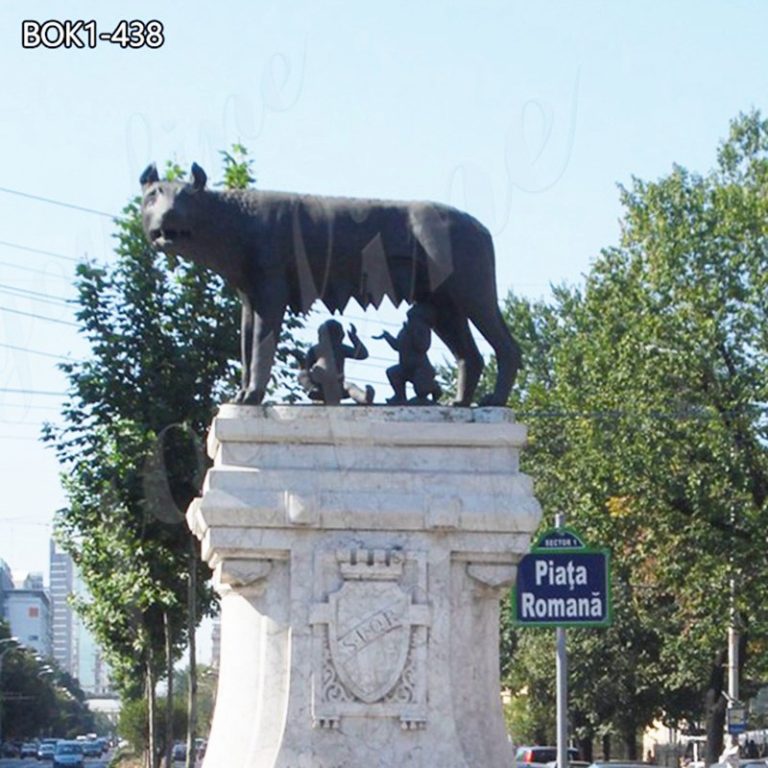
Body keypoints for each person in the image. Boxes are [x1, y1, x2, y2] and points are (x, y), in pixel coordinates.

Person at [373, 304, 442, 404]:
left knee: (421, 391)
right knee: (392, 372)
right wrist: (386, 336)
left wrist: (412, 333)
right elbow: (397, 346)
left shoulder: (422, 329)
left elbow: (423, 347)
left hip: (420, 368)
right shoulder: (404, 330)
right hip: (406, 367)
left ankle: (434, 387)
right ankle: (400, 397)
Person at [295, 320, 374, 405]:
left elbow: (362, 354)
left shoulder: (340, 348)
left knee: (350, 386)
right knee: (303, 374)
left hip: (337, 386)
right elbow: (305, 367)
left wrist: (354, 338)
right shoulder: (316, 349)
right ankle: (312, 389)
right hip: (319, 386)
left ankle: (364, 398)